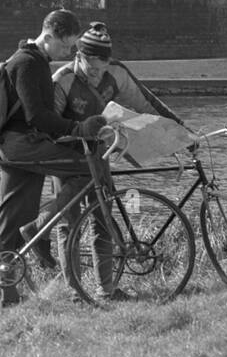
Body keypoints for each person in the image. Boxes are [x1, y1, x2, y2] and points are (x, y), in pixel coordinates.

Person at [22, 22, 184, 270]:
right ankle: (76, 292)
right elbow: (48, 127)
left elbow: (147, 104)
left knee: (103, 220)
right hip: (67, 155)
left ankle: (105, 290)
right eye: (91, 69)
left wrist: (181, 131)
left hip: (98, 152)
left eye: (102, 69)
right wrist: (77, 133)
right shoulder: (62, 80)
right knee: (70, 223)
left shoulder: (117, 73)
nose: (97, 74)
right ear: (79, 57)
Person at [0, 9, 105, 306]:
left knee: (12, 220)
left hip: (15, 145)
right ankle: (39, 228)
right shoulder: (29, 63)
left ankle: (8, 295)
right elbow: (37, 115)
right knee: (87, 166)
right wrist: (76, 127)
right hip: (22, 146)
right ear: (50, 35)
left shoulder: (32, 59)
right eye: (67, 45)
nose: (69, 52)